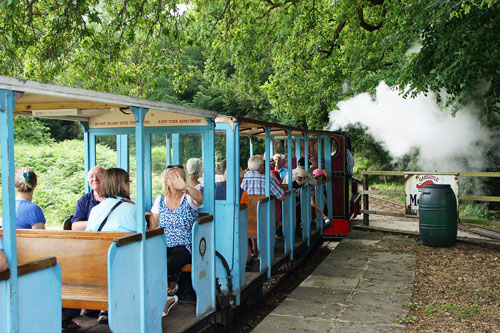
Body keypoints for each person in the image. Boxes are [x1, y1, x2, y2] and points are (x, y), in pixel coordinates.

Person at [150, 165, 203, 317]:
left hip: (185, 244)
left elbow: (199, 199)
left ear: (183, 179)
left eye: (177, 176)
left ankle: (170, 293)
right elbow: (155, 225)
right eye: (169, 176)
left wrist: (185, 187)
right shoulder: (160, 200)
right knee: (153, 258)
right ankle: (157, 294)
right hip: (164, 243)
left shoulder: (188, 197)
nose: (172, 179)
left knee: (171, 260)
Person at [85, 168, 136, 324]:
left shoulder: (95, 210)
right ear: (122, 184)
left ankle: (105, 308)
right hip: (125, 266)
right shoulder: (133, 209)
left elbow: (88, 238)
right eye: (128, 182)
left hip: (99, 265)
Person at [240, 155, 284, 259]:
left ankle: (253, 249)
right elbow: (282, 196)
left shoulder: (242, 181)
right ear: (260, 167)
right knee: (269, 219)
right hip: (263, 220)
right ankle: (263, 251)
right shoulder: (266, 180)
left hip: (246, 221)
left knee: (249, 219)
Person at [71, 166, 106, 231]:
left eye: (99, 175)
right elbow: (75, 226)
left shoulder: (115, 198)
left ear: (107, 179)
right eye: (91, 176)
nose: (95, 179)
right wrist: (101, 223)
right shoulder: (84, 199)